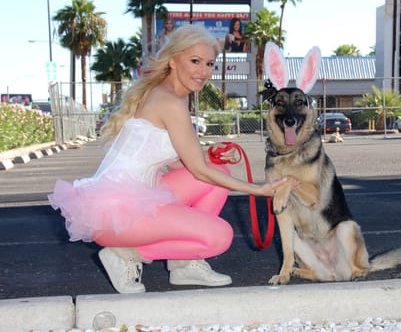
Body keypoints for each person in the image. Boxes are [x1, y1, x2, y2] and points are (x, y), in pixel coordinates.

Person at [48, 25, 288, 294]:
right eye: (194, 61)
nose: (203, 71)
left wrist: (211, 155)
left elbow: (178, 161)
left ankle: (183, 265)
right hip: (119, 216)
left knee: (218, 173)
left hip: (129, 199)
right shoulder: (169, 101)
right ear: (173, 60)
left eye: (209, 63)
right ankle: (126, 254)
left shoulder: (168, 95)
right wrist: (257, 190)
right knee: (220, 236)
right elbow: (198, 170)